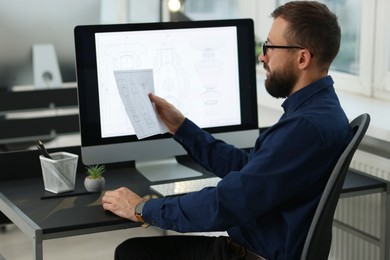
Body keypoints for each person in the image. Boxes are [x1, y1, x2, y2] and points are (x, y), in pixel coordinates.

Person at [101, 1, 354, 259]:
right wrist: (181, 128)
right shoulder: (319, 111)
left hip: (251, 255)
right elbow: (249, 170)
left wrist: (142, 208)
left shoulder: (305, 128)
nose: (262, 56)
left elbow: (228, 203)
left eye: (270, 46)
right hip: (256, 247)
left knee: (133, 253)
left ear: (302, 58)